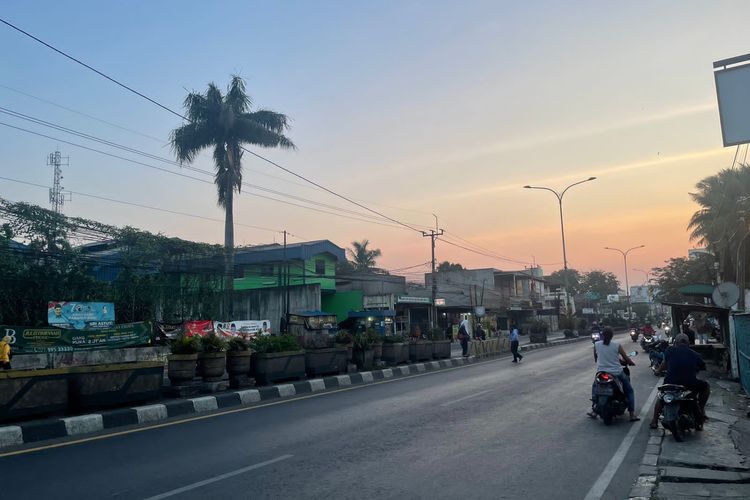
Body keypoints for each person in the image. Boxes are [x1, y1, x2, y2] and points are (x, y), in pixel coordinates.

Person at [650, 333, 710, 429]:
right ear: (688, 343)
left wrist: (657, 371)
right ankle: (701, 409)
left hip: (670, 384)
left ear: (675, 342)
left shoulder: (669, 351)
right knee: (706, 387)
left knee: (661, 397)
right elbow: (702, 367)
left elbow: (663, 364)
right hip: (689, 384)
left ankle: (654, 421)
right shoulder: (695, 354)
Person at [588, 327, 639, 421]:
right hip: (617, 372)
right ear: (612, 336)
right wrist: (631, 362)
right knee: (629, 390)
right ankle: (632, 414)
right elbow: (625, 358)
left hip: (601, 372)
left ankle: (594, 410)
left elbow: (596, 357)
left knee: (595, 387)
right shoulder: (617, 345)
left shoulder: (597, 345)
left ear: (602, 335)